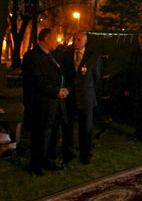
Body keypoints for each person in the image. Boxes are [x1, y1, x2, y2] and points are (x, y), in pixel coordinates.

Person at [22, 28, 69, 175]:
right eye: (55, 38)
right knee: (41, 134)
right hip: (41, 104)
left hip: (54, 102)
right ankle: (35, 164)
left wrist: (62, 89)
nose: (57, 41)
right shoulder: (32, 56)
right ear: (46, 39)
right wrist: (56, 91)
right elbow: (37, 81)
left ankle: (48, 160)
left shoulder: (50, 56)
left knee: (53, 133)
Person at [60, 31, 101, 165]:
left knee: (86, 127)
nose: (76, 42)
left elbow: (96, 76)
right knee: (68, 126)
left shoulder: (92, 56)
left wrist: (86, 87)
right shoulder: (66, 55)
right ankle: (68, 153)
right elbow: (65, 74)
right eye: (75, 39)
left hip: (85, 96)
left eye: (79, 40)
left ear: (85, 41)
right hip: (70, 96)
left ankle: (86, 153)